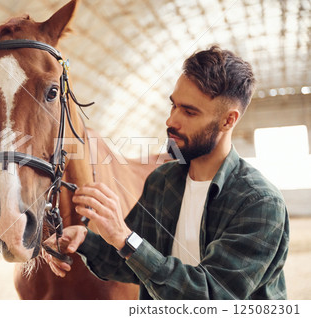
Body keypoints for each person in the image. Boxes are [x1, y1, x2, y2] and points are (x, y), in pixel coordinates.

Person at [43, 45, 289, 300]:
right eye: (174, 106)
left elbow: (211, 296)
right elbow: (136, 263)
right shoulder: (163, 181)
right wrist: (85, 241)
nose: (171, 121)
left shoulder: (259, 202)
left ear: (228, 120)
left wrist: (125, 237)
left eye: (190, 112)